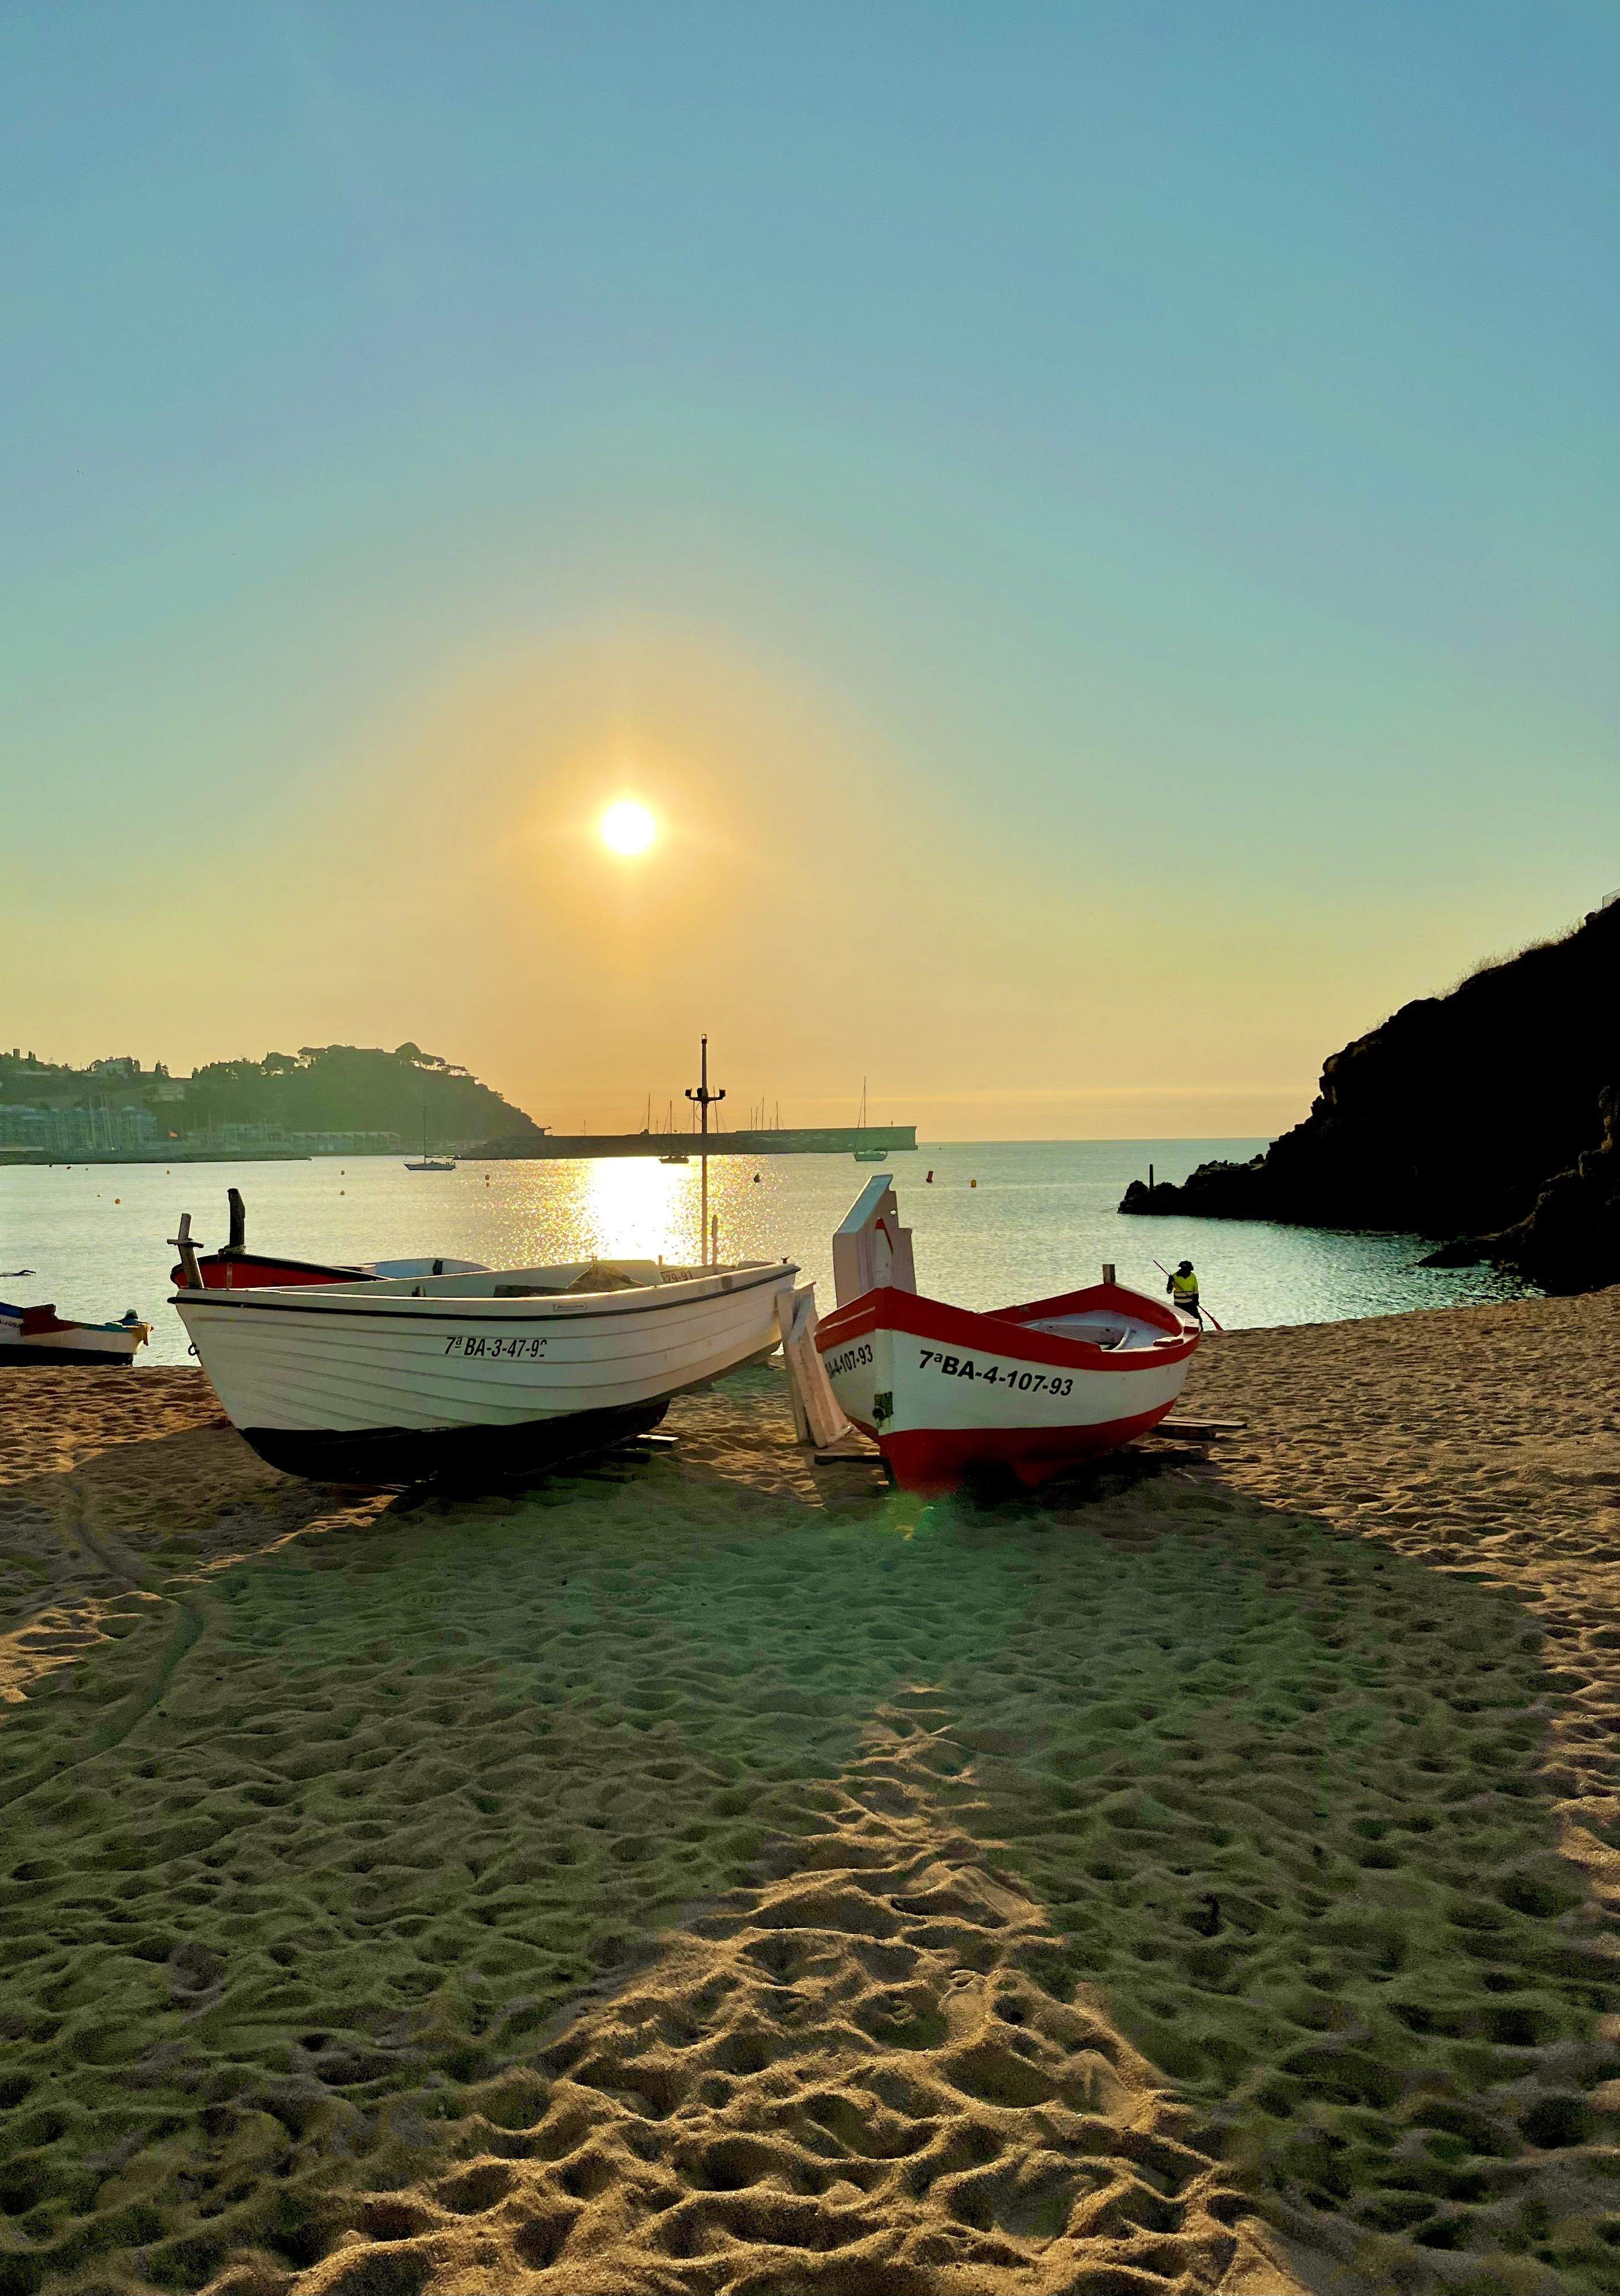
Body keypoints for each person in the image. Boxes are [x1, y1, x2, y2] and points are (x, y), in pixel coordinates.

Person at [1166, 1259, 1202, 1325]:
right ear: (1182, 1269)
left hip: (1190, 1303)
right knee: (1180, 1322)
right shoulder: (1174, 1277)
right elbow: (1169, 1291)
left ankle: (1200, 1332)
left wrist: (1196, 1300)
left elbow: (1196, 1291)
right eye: (1187, 1270)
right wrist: (1170, 1282)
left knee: (1198, 1320)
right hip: (1179, 1304)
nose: (1189, 1272)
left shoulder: (1192, 1276)